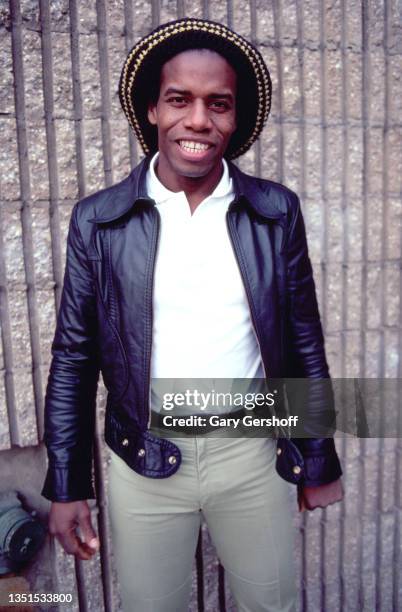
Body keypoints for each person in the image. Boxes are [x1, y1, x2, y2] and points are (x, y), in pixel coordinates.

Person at [41, 17, 343, 612]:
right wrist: (67, 484)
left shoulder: (275, 212)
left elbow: (303, 340)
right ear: (152, 109)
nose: (199, 120)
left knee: (272, 605)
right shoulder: (99, 220)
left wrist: (317, 455)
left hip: (252, 453)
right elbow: (74, 356)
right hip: (143, 459)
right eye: (179, 99)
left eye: (219, 104)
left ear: (237, 117)